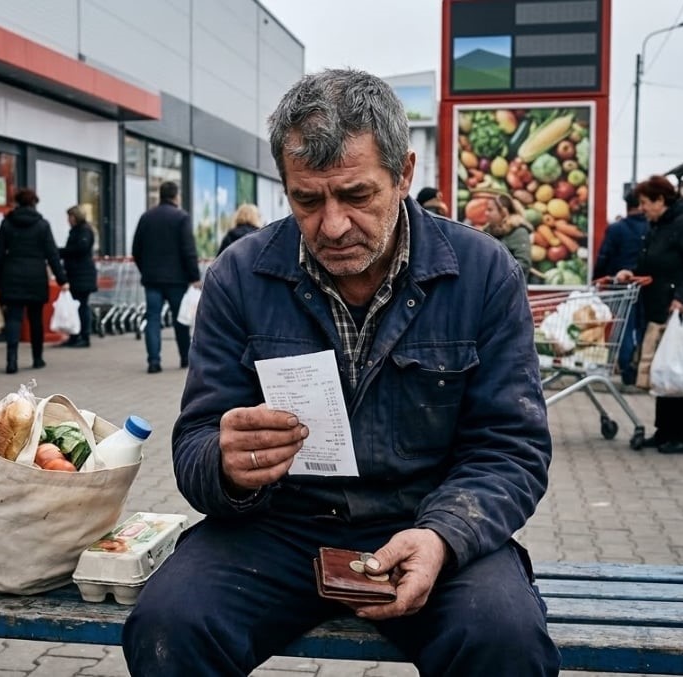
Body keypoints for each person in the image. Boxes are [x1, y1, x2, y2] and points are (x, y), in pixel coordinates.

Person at [122, 69, 557, 676]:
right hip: (280, 529)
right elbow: (194, 445)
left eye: (356, 195)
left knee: (504, 639)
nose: (332, 225)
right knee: (170, 624)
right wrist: (228, 467)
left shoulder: (483, 274)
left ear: (404, 175)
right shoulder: (238, 277)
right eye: (307, 200)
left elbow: (511, 447)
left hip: (429, 522)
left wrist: (444, 535)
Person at [615, 175, 683, 454]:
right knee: (665, 369)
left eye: (646, 203)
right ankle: (664, 432)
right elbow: (656, 262)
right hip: (663, 308)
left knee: (680, 370)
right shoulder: (660, 225)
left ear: (661, 200)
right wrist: (633, 274)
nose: (642, 209)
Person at [0, 188, 68, 374]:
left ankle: (11, 360)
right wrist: (62, 279)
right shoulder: (42, 225)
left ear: (17, 202)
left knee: (13, 318)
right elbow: (52, 254)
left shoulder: (7, 223)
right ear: (34, 203)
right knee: (35, 319)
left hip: (12, 274)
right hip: (35, 276)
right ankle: (37, 358)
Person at [131, 181, 201, 374]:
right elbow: (188, 249)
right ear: (175, 196)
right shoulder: (181, 217)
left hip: (152, 279)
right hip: (177, 280)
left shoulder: (146, 217)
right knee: (181, 319)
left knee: (153, 319)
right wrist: (194, 276)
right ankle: (185, 359)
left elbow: (136, 249)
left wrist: (145, 269)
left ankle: (154, 361)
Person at [593, 192, 649, 384]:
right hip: (645, 285)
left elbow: (604, 256)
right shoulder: (650, 227)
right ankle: (639, 364)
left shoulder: (617, 229)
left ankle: (626, 366)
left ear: (627, 206)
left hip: (620, 285)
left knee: (623, 326)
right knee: (641, 326)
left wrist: (597, 278)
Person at [59, 205, 98, 348]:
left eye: (70, 217)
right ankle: (75, 335)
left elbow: (81, 248)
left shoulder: (84, 231)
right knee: (75, 306)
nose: (68, 220)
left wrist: (61, 252)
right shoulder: (77, 231)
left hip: (82, 274)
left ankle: (84, 335)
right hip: (77, 273)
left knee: (81, 305)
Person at [484, 192, 533, 279]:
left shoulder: (519, 232)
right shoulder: (486, 232)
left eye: (490, 210)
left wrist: (495, 272)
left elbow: (523, 264)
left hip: (511, 288)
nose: (486, 213)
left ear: (503, 212)